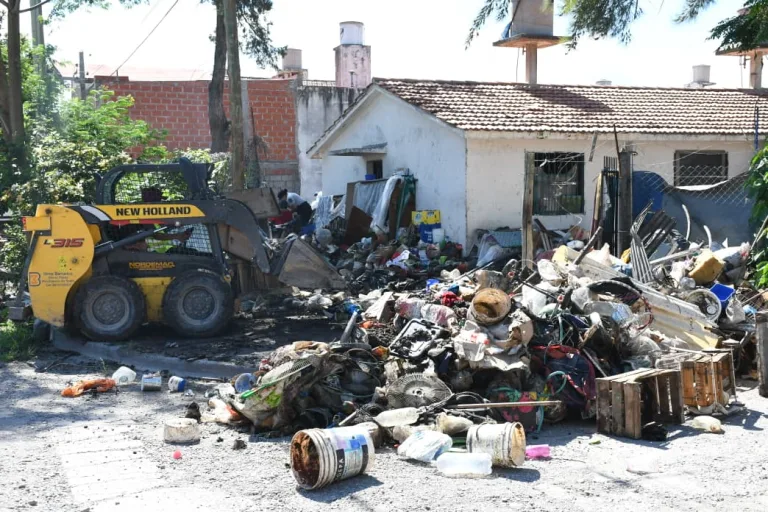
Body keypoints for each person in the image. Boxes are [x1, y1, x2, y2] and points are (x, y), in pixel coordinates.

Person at [120, 186, 192, 252]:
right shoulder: (142, 215)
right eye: (160, 200)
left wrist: (181, 223)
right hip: (144, 256)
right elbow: (156, 235)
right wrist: (177, 236)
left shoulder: (155, 216)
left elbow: (168, 225)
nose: (162, 203)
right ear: (153, 202)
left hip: (159, 253)